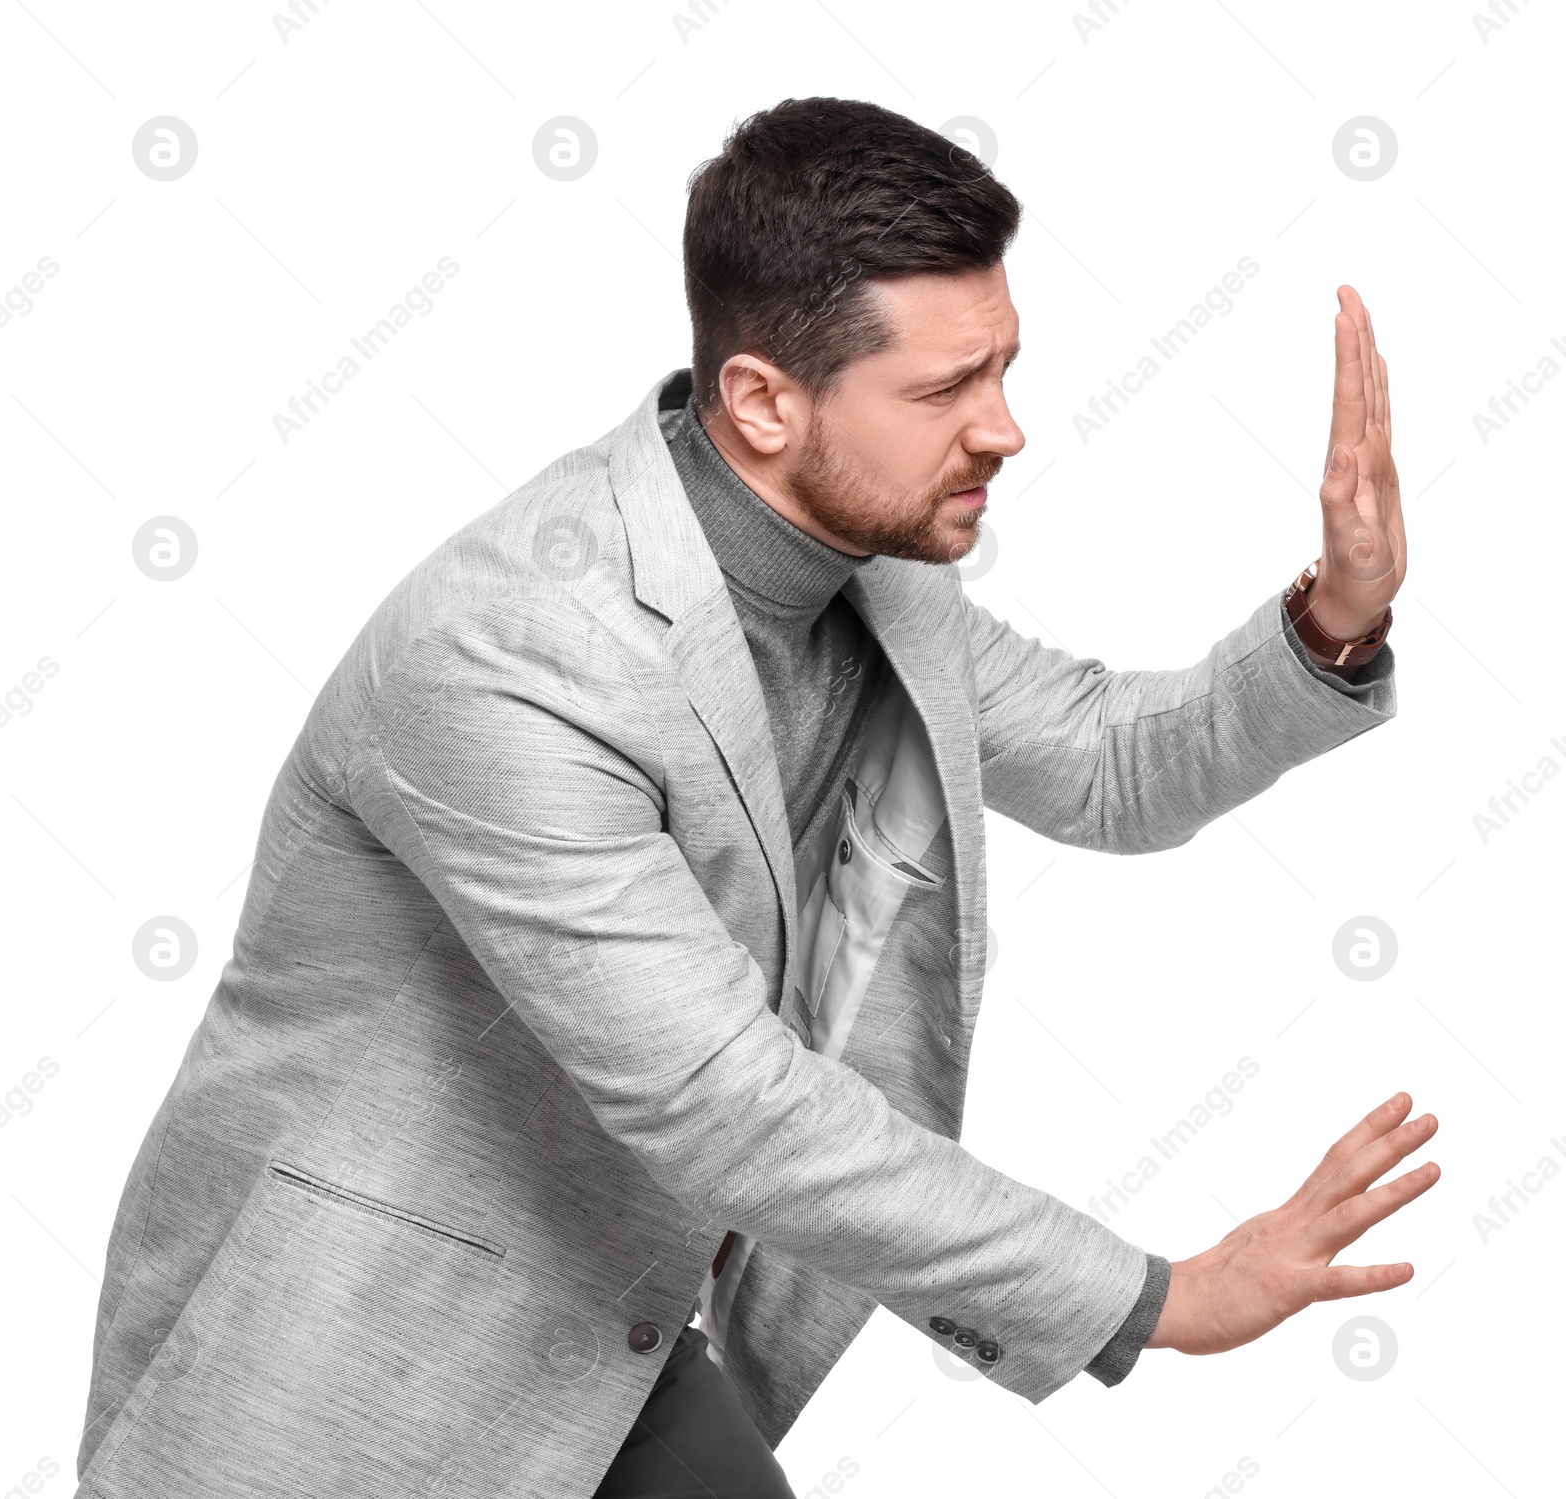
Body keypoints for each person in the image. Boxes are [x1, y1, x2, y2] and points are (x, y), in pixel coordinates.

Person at [74, 97, 1436, 1499]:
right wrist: (1155, 1298)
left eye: (1006, 369)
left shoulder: (877, 572)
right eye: (946, 388)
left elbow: (1105, 761)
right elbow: (727, 1101)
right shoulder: (514, 654)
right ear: (762, 401)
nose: (1007, 429)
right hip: (346, 1358)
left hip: (614, 1327)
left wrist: (1337, 616)